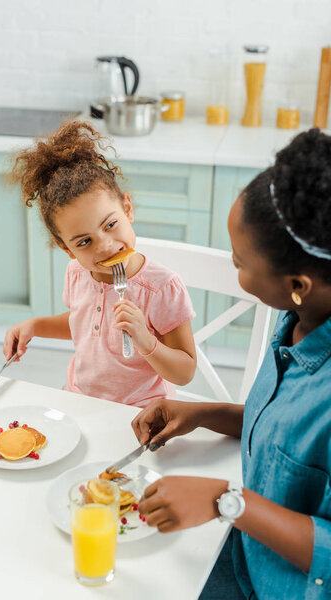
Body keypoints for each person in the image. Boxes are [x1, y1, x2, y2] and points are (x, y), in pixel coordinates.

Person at [132, 128, 331, 599]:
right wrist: (201, 414)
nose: (232, 266)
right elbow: (287, 443)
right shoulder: (297, 320)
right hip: (237, 547)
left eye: (240, 261)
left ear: (297, 282)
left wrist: (226, 500)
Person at [3, 121, 196, 407]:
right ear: (65, 248)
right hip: (81, 399)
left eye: (110, 224)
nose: (105, 246)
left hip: (143, 410)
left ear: (127, 209)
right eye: (84, 242)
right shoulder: (77, 273)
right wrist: (36, 325)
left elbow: (185, 372)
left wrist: (146, 340)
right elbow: (83, 324)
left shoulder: (162, 288)